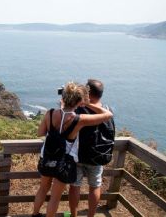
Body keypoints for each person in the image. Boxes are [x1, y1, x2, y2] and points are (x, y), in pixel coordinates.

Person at [32, 82, 113, 217]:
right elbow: (108, 114)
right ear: (78, 100)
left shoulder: (50, 113)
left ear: (64, 97)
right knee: (55, 198)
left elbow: (40, 133)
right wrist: (86, 103)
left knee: (42, 189)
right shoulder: (79, 119)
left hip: (46, 158)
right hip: (63, 163)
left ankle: (35, 214)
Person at [68, 79, 115, 217]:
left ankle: (73, 215)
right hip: (98, 156)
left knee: (75, 186)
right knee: (95, 186)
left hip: (78, 155)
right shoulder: (107, 109)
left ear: (88, 92)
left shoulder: (79, 108)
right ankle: (91, 215)